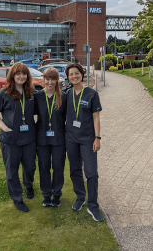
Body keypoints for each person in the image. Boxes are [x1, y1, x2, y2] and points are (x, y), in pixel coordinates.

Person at [0, 63, 37, 212]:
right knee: (12, 170)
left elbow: (35, 112)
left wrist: (34, 121)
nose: (21, 77)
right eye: (18, 74)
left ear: (27, 76)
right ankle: (17, 199)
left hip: (28, 138)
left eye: (24, 74)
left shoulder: (30, 93)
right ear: (12, 75)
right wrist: (5, 128)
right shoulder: (4, 93)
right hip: (10, 140)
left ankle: (29, 186)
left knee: (30, 167)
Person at [64, 63, 103, 221]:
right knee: (75, 171)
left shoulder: (91, 94)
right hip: (71, 138)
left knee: (92, 173)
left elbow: (96, 117)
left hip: (88, 139)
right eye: (71, 74)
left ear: (82, 74)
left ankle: (93, 206)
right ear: (68, 77)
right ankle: (80, 197)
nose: (74, 76)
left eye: (76, 73)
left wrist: (97, 138)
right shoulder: (66, 94)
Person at [34, 67, 67, 207]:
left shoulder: (63, 96)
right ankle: (47, 195)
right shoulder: (38, 96)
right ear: (44, 80)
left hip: (59, 139)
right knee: (44, 166)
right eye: (47, 79)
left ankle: (57, 194)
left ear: (57, 80)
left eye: (53, 79)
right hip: (42, 139)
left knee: (58, 167)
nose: (50, 82)